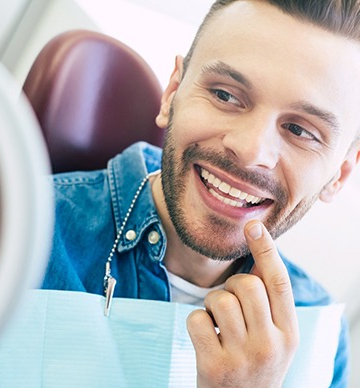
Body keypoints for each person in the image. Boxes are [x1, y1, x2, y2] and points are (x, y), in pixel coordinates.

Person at [42, 0, 360, 386]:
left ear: (339, 175)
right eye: (226, 95)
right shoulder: (18, 231)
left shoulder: (319, 337)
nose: (250, 150)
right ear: (172, 92)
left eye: (300, 131)